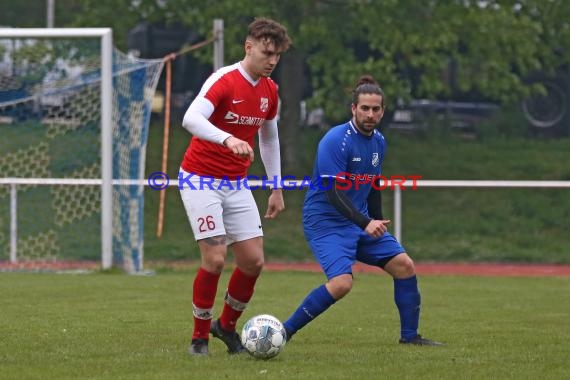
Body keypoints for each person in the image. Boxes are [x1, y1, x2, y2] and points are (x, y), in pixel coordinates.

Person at [282, 75, 443, 346]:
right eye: (365, 108)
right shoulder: (335, 140)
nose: (370, 114)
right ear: (353, 108)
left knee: (404, 266)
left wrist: (375, 218)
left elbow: (373, 182)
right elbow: (333, 192)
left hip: (359, 220)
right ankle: (282, 333)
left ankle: (410, 338)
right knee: (342, 284)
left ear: (383, 111)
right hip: (326, 222)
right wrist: (366, 221)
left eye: (376, 109)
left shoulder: (379, 140)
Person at [179, 17, 291, 356]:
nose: (272, 60)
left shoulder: (270, 90)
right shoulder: (224, 80)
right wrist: (227, 138)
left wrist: (276, 187)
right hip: (200, 179)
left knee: (253, 262)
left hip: (236, 183)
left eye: (277, 55)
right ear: (249, 47)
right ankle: (199, 337)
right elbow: (191, 119)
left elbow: (269, 138)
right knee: (214, 259)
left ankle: (225, 328)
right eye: (266, 52)